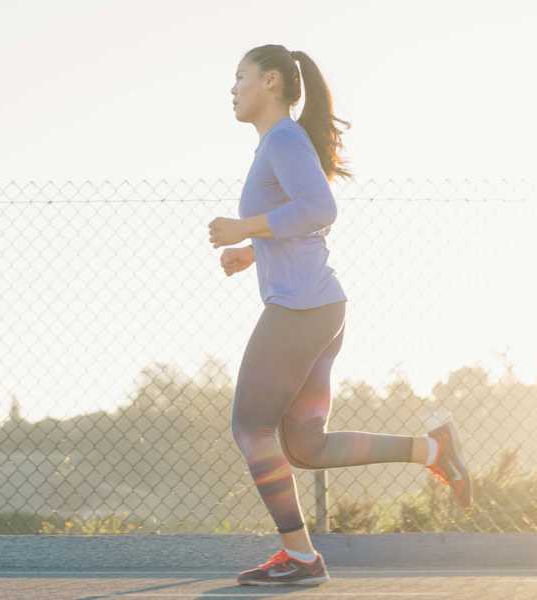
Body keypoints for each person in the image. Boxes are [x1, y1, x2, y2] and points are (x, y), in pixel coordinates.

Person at [208, 44, 473, 587]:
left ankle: (301, 558)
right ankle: (433, 449)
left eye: (241, 77)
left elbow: (320, 210)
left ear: (273, 83)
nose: (233, 89)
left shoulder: (282, 139)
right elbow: (303, 221)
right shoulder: (278, 144)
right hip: (320, 307)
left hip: (301, 309)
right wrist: (252, 251)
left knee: (251, 426)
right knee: (305, 445)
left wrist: (244, 228)